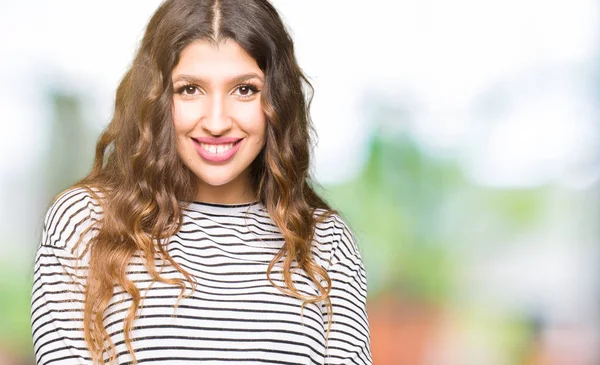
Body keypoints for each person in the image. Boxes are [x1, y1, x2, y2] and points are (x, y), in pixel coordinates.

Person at [30, 0, 372, 364]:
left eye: (245, 89)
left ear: (277, 100)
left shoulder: (326, 241)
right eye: (190, 89)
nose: (216, 121)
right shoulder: (85, 222)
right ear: (157, 99)